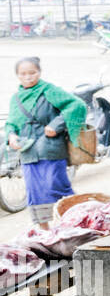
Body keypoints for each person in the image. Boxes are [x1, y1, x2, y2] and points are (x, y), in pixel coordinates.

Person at [5, 57, 86, 225]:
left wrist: (56, 124)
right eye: (23, 74)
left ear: (39, 72)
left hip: (51, 149)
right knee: (34, 192)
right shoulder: (16, 98)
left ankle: (75, 223)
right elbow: (11, 123)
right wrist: (11, 135)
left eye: (32, 73)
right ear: (17, 75)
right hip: (27, 152)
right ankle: (44, 231)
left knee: (56, 187)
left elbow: (76, 105)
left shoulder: (49, 91)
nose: (28, 77)